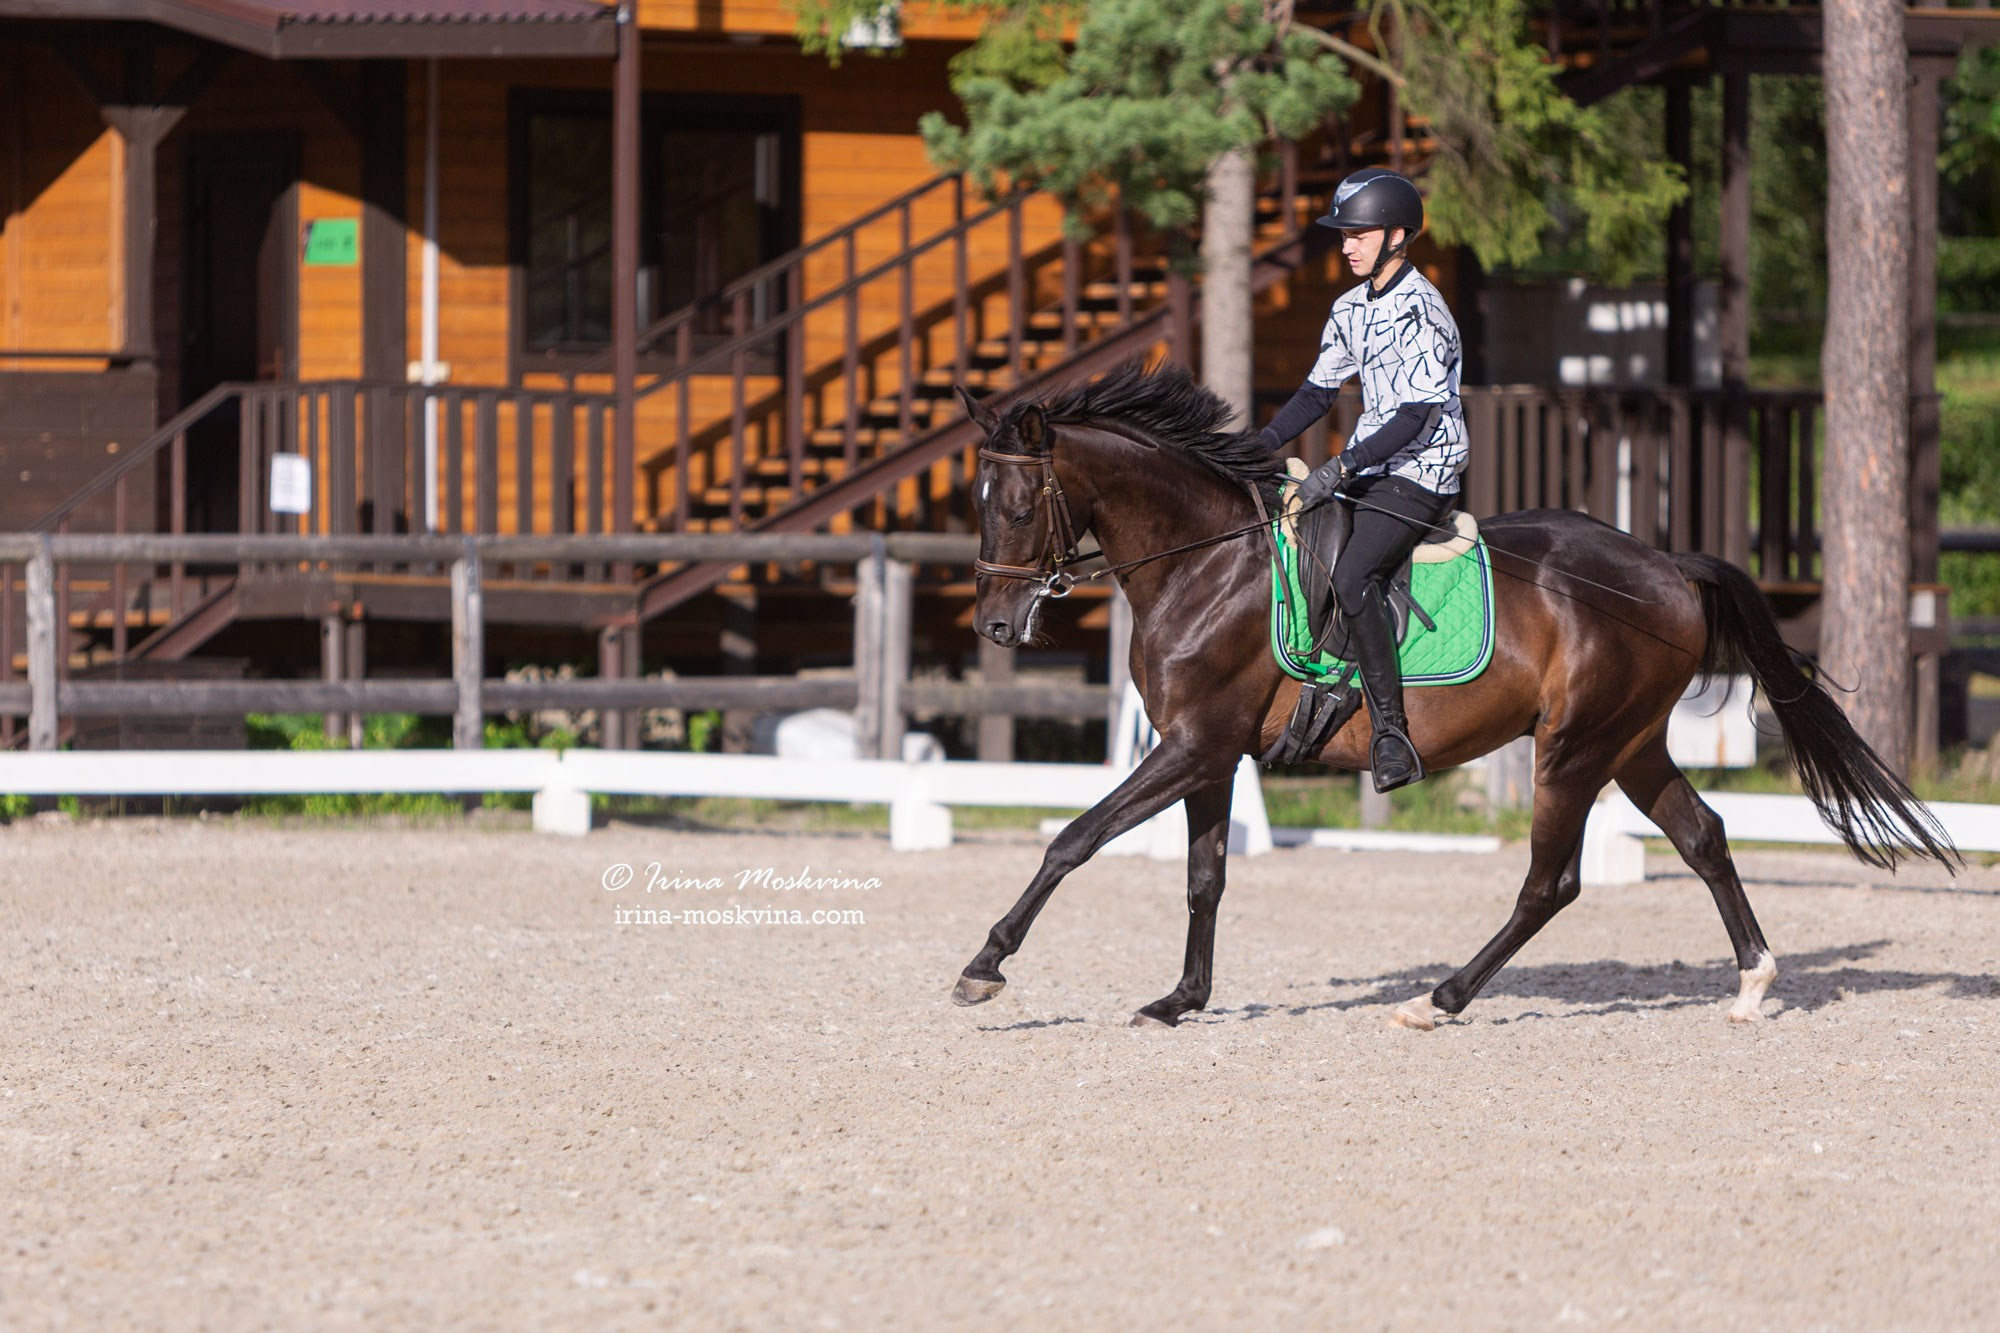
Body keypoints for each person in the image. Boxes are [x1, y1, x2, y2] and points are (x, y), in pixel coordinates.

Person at [1258, 166, 1468, 793]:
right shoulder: (1349, 308)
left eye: (1358, 234)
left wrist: (1338, 468)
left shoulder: (1424, 309)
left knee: (1353, 574)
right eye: (1343, 235)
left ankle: (1391, 734)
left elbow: (1417, 414)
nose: (1346, 245)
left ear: (1397, 236)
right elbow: (1317, 392)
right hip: (1369, 467)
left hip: (1422, 471)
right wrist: (1255, 447)